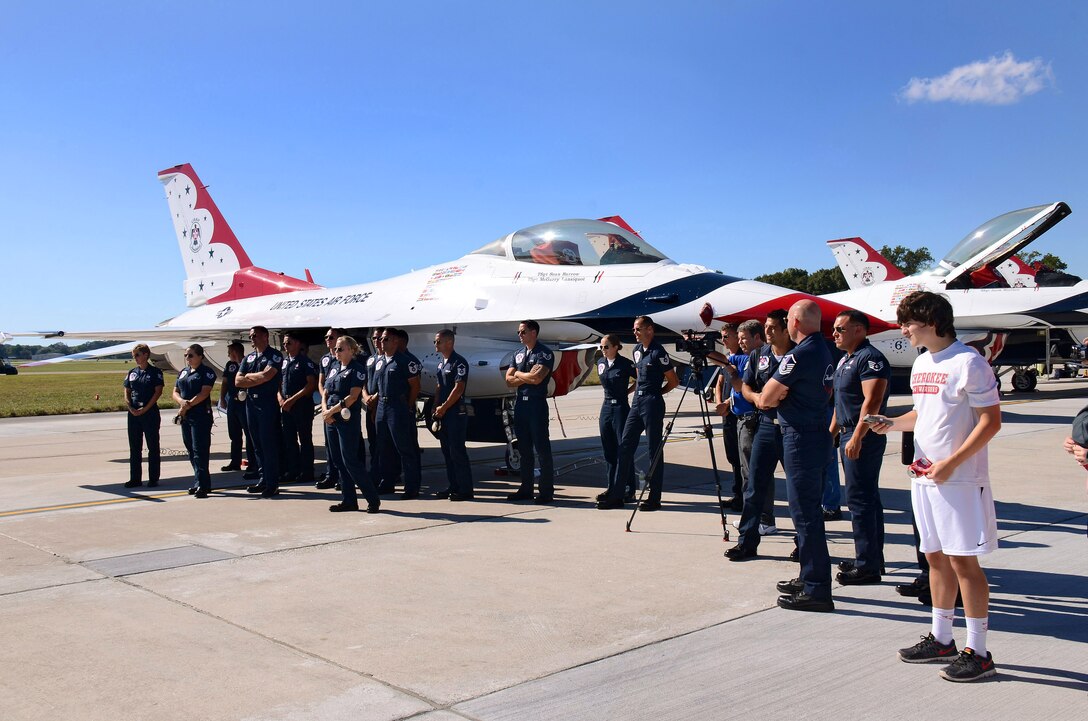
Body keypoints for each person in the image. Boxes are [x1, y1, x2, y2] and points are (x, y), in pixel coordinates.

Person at [874, 291, 1002, 682]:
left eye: (907, 322)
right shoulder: (922, 363)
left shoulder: (969, 363)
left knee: (964, 561)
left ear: (930, 321)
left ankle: (978, 650)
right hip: (925, 476)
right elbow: (923, 413)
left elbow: (990, 422)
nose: (903, 330)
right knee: (933, 557)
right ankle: (941, 638)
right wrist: (893, 423)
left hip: (959, 478)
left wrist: (951, 463)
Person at [753, 300, 835, 613]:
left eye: (788, 319)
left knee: (805, 514)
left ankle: (817, 589)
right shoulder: (822, 349)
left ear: (796, 322)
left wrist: (770, 396)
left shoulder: (799, 355)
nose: (786, 325)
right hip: (813, 434)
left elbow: (767, 398)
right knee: (807, 513)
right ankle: (809, 575)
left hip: (801, 438)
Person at [829, 310, 891, 584]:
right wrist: (831, 433)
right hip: (847, 432)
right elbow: (840, 402)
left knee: (860, 500)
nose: (834, 334)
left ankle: (867, 566)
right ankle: (870, 557)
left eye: (840, 329)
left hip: (862, 435)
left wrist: (857, 437)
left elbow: (872, 401)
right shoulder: (846, 359)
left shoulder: (871, 359)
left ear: (859, 330)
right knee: (864, 498)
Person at [725, 312, 790, 560]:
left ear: (786, 330)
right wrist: (758, 399)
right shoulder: (758, 356)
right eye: (767, 327)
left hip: (788, 427)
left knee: (797, 488)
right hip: (763, 423)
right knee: (753, 485)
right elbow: (746, 385)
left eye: (774, 328)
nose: (769, 332)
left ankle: (801, 542)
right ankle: (747, 541)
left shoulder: (797, 354)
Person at [606, 315, 679, 511]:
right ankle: (617, 495)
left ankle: (654, 497)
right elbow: (638, 377)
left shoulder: (658, 352)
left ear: (649, 330)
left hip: (652, 402)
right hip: (637, 402)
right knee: (625, 445)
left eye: (638, 329)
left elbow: (673, 381)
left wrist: (657, 394)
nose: (635, 333)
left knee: (653, 450)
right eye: (634, 330)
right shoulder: (637, 351)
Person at [322, 335, 381, 514]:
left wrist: (331, 412)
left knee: (350, 461)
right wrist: (326, 412)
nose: (336, 352)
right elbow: (325, 391)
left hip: (346, 420)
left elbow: (353, 397)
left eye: (340, 349)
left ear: (351, 350)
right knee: (338, 461)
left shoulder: (357, 369)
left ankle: (372, 499)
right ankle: (349, 500)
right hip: (330, 418)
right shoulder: (334, 367)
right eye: (335, 349)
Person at [505, 320, 556, 503]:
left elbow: (537, 379)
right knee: (524, 450)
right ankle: (526, 489)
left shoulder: (545, 354)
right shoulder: (518, 354)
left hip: (536, 405)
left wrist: (519, 375)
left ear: (533, 332)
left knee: (542, 449)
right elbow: (508, 380)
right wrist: (522, 375)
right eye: (519, 332)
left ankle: (545, 491)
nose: (520, 335)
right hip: (521, 405)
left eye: (523, 332)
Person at [235, 326, 283, 498]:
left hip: (267, 403)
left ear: (265, 336)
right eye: (250, 336)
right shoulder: (248, 358)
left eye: (255, 335)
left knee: (268, 444)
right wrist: (256, 377)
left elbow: (267, 376)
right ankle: (263, 479)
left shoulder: (275, 355)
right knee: (257, 445)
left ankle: (272, 483)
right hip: (251, 404)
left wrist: (250, 377)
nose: (252, 338)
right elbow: (238, 381)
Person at [714, 323, 756, 515]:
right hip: (727, 411)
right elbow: (720, 382)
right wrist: (719, 402)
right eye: (722, 336)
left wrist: (727, 403)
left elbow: (742, 386)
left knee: (743, 460)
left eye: (727, 336)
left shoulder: (742, 358)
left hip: (738, 412)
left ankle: (743, 497)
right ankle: (737, 493)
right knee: (732, 455)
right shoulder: (728, 359)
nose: (724, 340)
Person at [375, 328, 422, 498]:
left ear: (395, 341)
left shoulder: (404, 361)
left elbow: (415, 386)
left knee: (404, 448)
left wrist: (408, 406)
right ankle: (387, 482)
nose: (382, 342)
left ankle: (412, 486)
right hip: (382, 405)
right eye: (381, 339)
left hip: (397, 406)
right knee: (384, 447)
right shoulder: (380, 361)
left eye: (386, 339)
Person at [594, 334, 636, 509]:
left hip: (620, 408)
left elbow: (640, 379)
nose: (602, 350)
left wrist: (627, 392)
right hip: (606, 407)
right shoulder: (601, 363)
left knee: (623, 449)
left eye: (606, 347)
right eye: (601, 347)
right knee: (608, 450)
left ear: (615, 347)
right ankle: (611, 487)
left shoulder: (625, 364)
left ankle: (628, 488)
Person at [433, 329, 473, 501]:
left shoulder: (459, 363)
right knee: (447, 452)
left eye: (438, 341)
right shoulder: (442, 363)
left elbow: (458, 390)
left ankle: (465, 489)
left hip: (455, 413)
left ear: (449, 342)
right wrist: (435, 406)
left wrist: (444, 407)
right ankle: (453, 485)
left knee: (457, 452)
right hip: (443, 413)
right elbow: (439, 387)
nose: (436, 345)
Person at [172, 344, 216, 498]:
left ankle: (203, 485)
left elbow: (204, 393)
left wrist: (187, 405)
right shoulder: (183, 372)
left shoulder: (207, 372)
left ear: (200, 356)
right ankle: (199, 481)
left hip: (200, 415)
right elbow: (175, 391)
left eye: (190, 355)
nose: (187, 358)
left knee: (200, 450)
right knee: (191, 449)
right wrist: (181, 403)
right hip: (186, 416)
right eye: (186, 355)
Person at [279, 331, 318, 484]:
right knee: (289, 440)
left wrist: (292, 400)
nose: (285, 346)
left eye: (288, 343)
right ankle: (293, 470)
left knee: (305, 439)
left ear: (297, 344)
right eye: (284, 343)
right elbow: (279, 384)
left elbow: (310, 384)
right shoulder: (284, 362)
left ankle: (307, 471)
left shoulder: (304, 362)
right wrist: (281, 399)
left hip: (301, 406)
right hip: (286, 406)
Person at [123, 343, 163, 488]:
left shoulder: (155, 372)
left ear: (146, 355)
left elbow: (157, 392)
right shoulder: (132, 372)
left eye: (137, 355)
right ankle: (135, 478)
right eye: (134, 356)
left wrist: (145, 409)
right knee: (135, 447)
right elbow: (127, 390)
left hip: (150, 413)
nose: (135, 358)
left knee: (153, 446)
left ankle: (153, 478)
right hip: (134, 414)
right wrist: (129, 406)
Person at [219, 341, 256, 473]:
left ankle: (253, 462)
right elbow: (224, 383)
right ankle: (235, 462)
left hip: (245, 402)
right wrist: (222, 398)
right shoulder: (230, 365)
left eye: (229, 352)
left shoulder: (248, 363)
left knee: (249, 433)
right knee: (234, 434)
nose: (228, 355)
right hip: (233, 403)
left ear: (235, 352)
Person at [316, 328, 343, 490]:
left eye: (331, 337)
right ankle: (331, 475)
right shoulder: (325, 359)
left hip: (341, 406)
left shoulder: (345, 358)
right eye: (326, 336)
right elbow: (321, 382)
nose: (327, 339)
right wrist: (324, 402)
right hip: (328, 405)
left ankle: (344, 477)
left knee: (344, 445)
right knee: (330, 444)